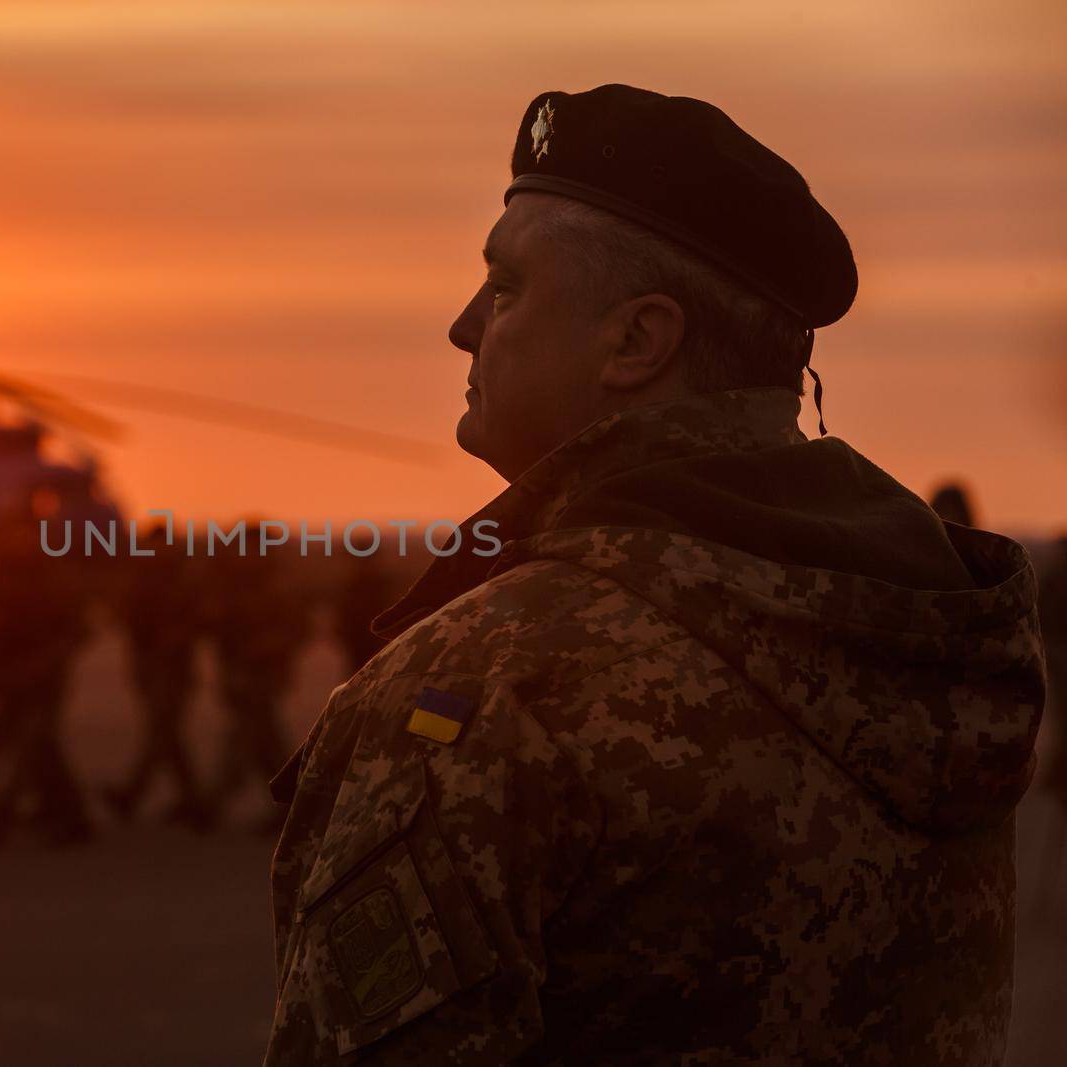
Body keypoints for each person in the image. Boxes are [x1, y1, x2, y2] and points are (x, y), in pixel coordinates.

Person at [264, 84, 1045, 1065]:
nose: (464, 326)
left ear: (637, 341)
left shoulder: (486, 684)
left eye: (505, 288)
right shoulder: (933, 629)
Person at [0, 509, 97, 846]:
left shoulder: (55, 577)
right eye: (10, 532)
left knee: (33, 742)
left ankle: (0, 816)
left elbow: (77, 629)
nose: (16, 540)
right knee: (33, 746)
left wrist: (47, 662)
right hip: (9, 677)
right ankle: (69, 815)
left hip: (44, 677)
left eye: (23, 532)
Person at [102, 522, 208, 830]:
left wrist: (177, 635)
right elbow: (125, 618)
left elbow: (200, 619)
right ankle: (194, 802)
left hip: (175, 669)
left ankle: (137, 794)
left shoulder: (185, 580)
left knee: (163, 731)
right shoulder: (141, 581)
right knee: (166, 734)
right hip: (150, 667)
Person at [205, 524, 310, 832]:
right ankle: (290, 807)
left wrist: (270, 650)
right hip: (242, 674)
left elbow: (297, 629)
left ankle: (217, 801)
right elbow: (221, 632)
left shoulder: (278, 585)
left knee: (253, 741)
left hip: (263, 674)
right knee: (261, 742)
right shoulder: (236, 584)